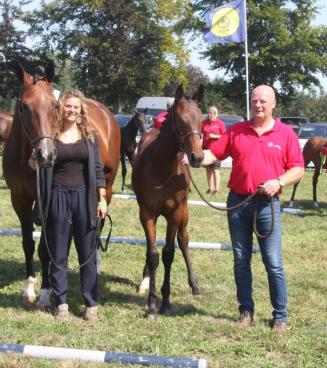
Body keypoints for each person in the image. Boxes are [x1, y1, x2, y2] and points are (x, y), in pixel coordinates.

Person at [178, 85, 304, 333]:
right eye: (254, 100)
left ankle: (280, 316)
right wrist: (194, 158)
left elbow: (298, 168)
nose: (258, 105)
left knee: (273, 262)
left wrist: (278, 181)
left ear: (273, 104)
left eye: (263, 101)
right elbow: (213, 154)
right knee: (240, 260)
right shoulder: (237, 131)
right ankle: (245, 311)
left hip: (267, 205)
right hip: (238, 204)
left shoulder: (285, 134)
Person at [29, 89, 107, 322]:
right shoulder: (50, 135)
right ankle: (61, 303)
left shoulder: (90, 136)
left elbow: (99, 170)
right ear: (62, 108)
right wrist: (35, 155)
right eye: (68, 106)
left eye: (75, 107)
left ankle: (90, 303)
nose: (71, 110)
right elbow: (33, 166)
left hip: (84, 198)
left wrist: (102, 198)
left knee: (88, 253)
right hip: (57, 197)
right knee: (58, 254)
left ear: (81, 109)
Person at [201, 106, 226, 194]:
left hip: (216, 149)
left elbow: (224, 136)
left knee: (215, 169)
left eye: (212, 113)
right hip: (205, 148)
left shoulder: (220, 123)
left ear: (216, 114)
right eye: (209, 112)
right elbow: (199, 133)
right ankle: (210, 188)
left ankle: (216, 189)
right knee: (208, 169)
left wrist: (215, 136)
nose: (210, 114)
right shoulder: (204, 123)